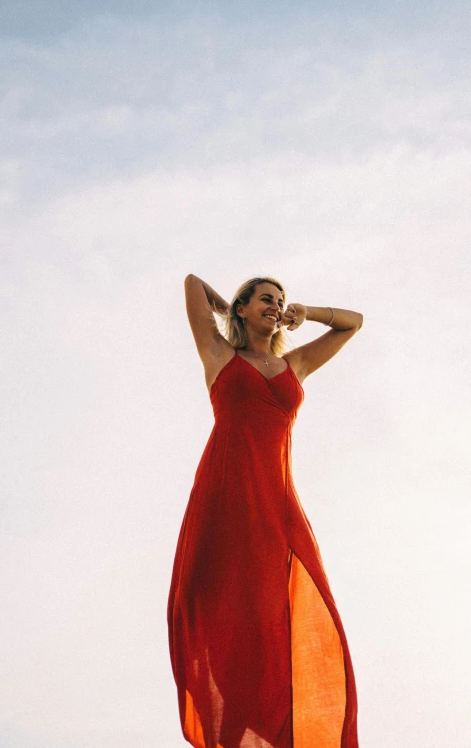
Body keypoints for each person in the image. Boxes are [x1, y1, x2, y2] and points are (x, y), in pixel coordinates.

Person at [168, 274, 363, 748]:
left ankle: (280, 730)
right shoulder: (219, 356)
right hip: (225, 493)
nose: (275, 306)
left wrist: (308, 312)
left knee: (286, 610)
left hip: (277, 500)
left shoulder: (293, 364)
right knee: (226, 606)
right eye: (265, 300)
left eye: (280, 301)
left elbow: (352, 325)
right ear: (242, 308)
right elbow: (192, 284)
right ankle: (235, 727)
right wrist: (222, 309)